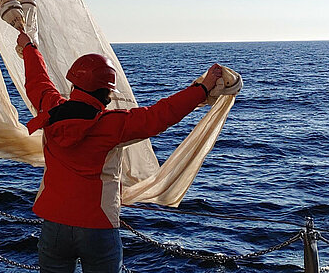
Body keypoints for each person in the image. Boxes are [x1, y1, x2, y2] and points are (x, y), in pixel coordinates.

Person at [17, 32, 223, 273]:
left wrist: (29, 47)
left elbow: (38, 81)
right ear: (107, 93)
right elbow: (160, 115)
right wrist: (202, 88)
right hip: (98, 224)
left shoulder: (50, 109)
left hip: (54, 223)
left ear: (74, 85)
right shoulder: (112, 125)